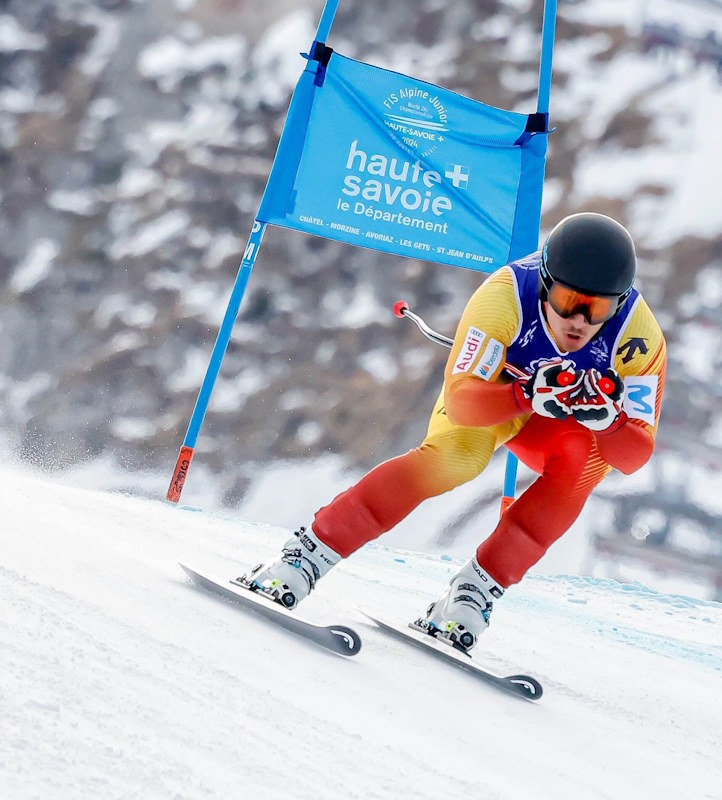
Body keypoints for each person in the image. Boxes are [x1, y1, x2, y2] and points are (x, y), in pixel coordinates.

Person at [241, 212, 667, 651]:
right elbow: (462, 400)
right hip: (497, 397)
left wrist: (609, 422)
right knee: (456, 459)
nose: (578, 320)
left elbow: (633, 457)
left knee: (585, 468)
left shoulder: (639, 336)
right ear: (543, 283)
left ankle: (474, 593)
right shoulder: (506, 297)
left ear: (618, 303)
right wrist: (525, 395)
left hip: (559, 424)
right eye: (565, 301)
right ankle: (305, 555)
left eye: (597, 308)